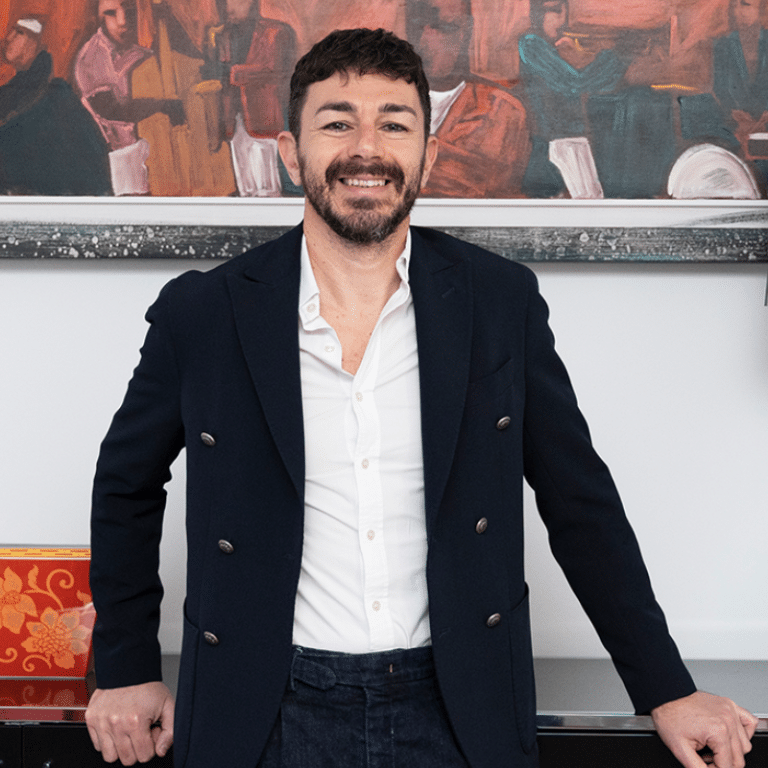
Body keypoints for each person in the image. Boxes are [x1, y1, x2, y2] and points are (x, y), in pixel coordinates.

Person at [85, 27, 758, 768]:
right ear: (290, 153)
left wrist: (665, 685)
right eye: (337, 123)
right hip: (262, 709)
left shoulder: (498, 303)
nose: (366, 149)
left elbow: (579, 501)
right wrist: (125, 667)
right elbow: (125, 483)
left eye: (395, 125)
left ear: (428, 156)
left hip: (460, 708)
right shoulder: (203, 313)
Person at [406, 0, 529, 197]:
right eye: (417, 25)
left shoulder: (502, 110)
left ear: (466, 34)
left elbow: (501, 193)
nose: (425, 40)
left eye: (442, 27)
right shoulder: (381, 102)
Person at [74, 0, 184, 195]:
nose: (123, 21)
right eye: (111, 13)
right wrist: (163, 106)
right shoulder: (92, 57)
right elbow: (111, 109)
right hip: (118, 157)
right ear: (98, 17)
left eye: (129, 10)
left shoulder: (137, 51)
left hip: (146, 149)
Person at [0, 17, 111, 195]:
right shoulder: (14, 93)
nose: (8, 38)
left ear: (37, 44)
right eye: (11, 31)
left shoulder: (56, 97)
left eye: (19, 32)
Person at [217, 0, 297, 196]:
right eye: (224, 3)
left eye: (234, 2)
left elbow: (278, 70)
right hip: (233, 117)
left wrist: (236, 73)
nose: (228, 9)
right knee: (244, 180)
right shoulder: (223, 35)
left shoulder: (276, 32)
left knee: (267, 183)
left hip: (262, 114)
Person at [712, 0, 768, 194]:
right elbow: (720, 88)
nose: (738, 11)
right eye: (734, 6)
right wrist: (734, 114)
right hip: (737, 125)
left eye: (745, 4)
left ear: (761, 8)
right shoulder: (723, 44)